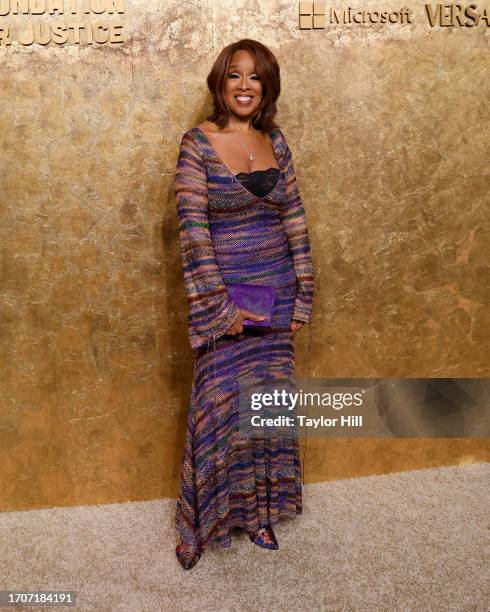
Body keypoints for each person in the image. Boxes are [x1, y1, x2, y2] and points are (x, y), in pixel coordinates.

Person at [174, 38, 314, 570]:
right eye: (235, 75)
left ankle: (258, 514)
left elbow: (295, 221)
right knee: (219, 406)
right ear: (220, 82)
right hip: (225, 300)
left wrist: (302, 295)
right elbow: (193, 229)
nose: (244, 86)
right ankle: (200, 524)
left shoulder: (276, 142)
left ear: (267, 86)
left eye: (255, 77)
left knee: (266, 408)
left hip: (275, 296)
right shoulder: (197, 143)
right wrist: (219, 306)